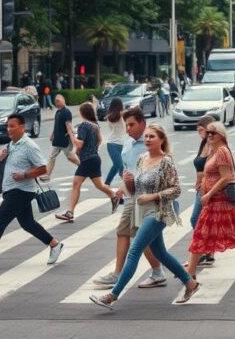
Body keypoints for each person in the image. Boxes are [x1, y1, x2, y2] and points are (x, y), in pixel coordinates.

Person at [89, 124, 201, 308]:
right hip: (143, 209)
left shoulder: (166, 162)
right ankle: (190, 283)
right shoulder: (142, 159)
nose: (147, 139)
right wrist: (129, 183)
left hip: (160, 210)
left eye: (152, 137)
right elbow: (137, 191)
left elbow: (176, 189)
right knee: (160, 253)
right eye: (146, 136)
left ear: (161, 140)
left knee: (135, 250)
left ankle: (113, 295)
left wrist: (154, 196)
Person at [0, 114, 63, 271]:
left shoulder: (29, 146)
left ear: (22, 127)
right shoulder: (11, 145)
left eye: (12, 126)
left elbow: (43, 168)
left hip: (21, 191)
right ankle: (55, 244)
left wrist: (24, 175)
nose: (9, 129)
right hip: (11, 190)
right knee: (27, 223)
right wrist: (1, 159)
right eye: (8, 126)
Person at [91, 108, 168, 290]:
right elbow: (127, 168)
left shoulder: (150, 142)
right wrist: (122, 187)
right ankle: (126, 273)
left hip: (144, 196)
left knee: (143, 239)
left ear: (142, 123)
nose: (128, 128)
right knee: (125, 233)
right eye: (126, 125)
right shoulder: (129, 141)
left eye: (132, 124)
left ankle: (156, 272)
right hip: (132, 194)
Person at [185, 121, 235, 280]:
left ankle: (190, 273)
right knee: (228, 233)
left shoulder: (222, 151)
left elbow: (226, 177)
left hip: (220, 200)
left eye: (213, 133)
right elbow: (210, 173)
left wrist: (208, 194)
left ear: (221, 135)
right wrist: (202, 186)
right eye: (208, 133)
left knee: (203, 233)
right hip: (212, 200)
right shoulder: (212, 150)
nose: (209, 135)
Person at [56, 102, 118, 222]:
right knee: (98, 184)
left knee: (76, 184)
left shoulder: (84, 125)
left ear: (81, 113)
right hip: (94, 159)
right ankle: (113, 196)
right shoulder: (95, 125)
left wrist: (71, 135)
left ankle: (70, 213)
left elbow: (80, 144)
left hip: (88, 159)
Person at [189, 116, 218, 267]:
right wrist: (197, 181)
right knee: (203, 220)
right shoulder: (204, 144)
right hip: (201, 187)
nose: (199, 133)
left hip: (209, 188)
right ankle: (208, 252)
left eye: (201, 130)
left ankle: (204, 251)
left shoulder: (214, 145)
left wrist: (205, 185)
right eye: (198, 130)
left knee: (196, 219)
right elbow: (200, 166)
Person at [43, 94, 80, 181]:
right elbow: (56, 125)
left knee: (70, 157)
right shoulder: (58, 112)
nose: (57, 102)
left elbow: (69, 127)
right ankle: (47, 175)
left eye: (59, 100)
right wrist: (52, 134)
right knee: (52, 157)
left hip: (64, 140)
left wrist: (73, 141)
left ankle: (83, 167)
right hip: (57, 140)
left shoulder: (66, 112)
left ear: (63, 100)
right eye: (56, 100)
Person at [103, 98, 126, 187]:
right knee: (118, 165)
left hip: (121, 143)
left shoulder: (110, 116)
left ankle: (108, 183)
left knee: (119, 166)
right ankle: (108, 183)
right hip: (112, 144)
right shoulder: (120, 115)